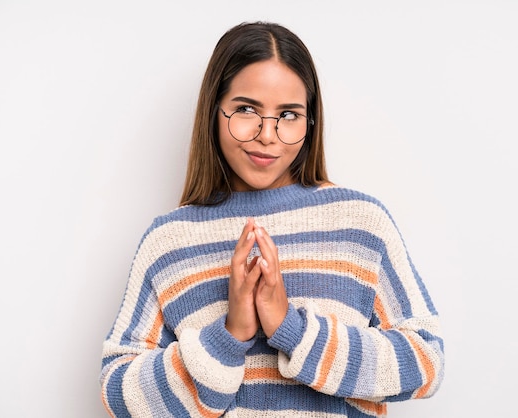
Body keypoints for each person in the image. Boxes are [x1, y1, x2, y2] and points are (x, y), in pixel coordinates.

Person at [100, 21, 444, 418]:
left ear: (310, 122)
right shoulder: (169, 241)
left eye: (289, 114)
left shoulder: (359, 225)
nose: (268, 134)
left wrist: (293, 330)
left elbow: (426, 361)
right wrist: (228, 336)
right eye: (246, 109)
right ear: (215, 110)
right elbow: (118, 394)